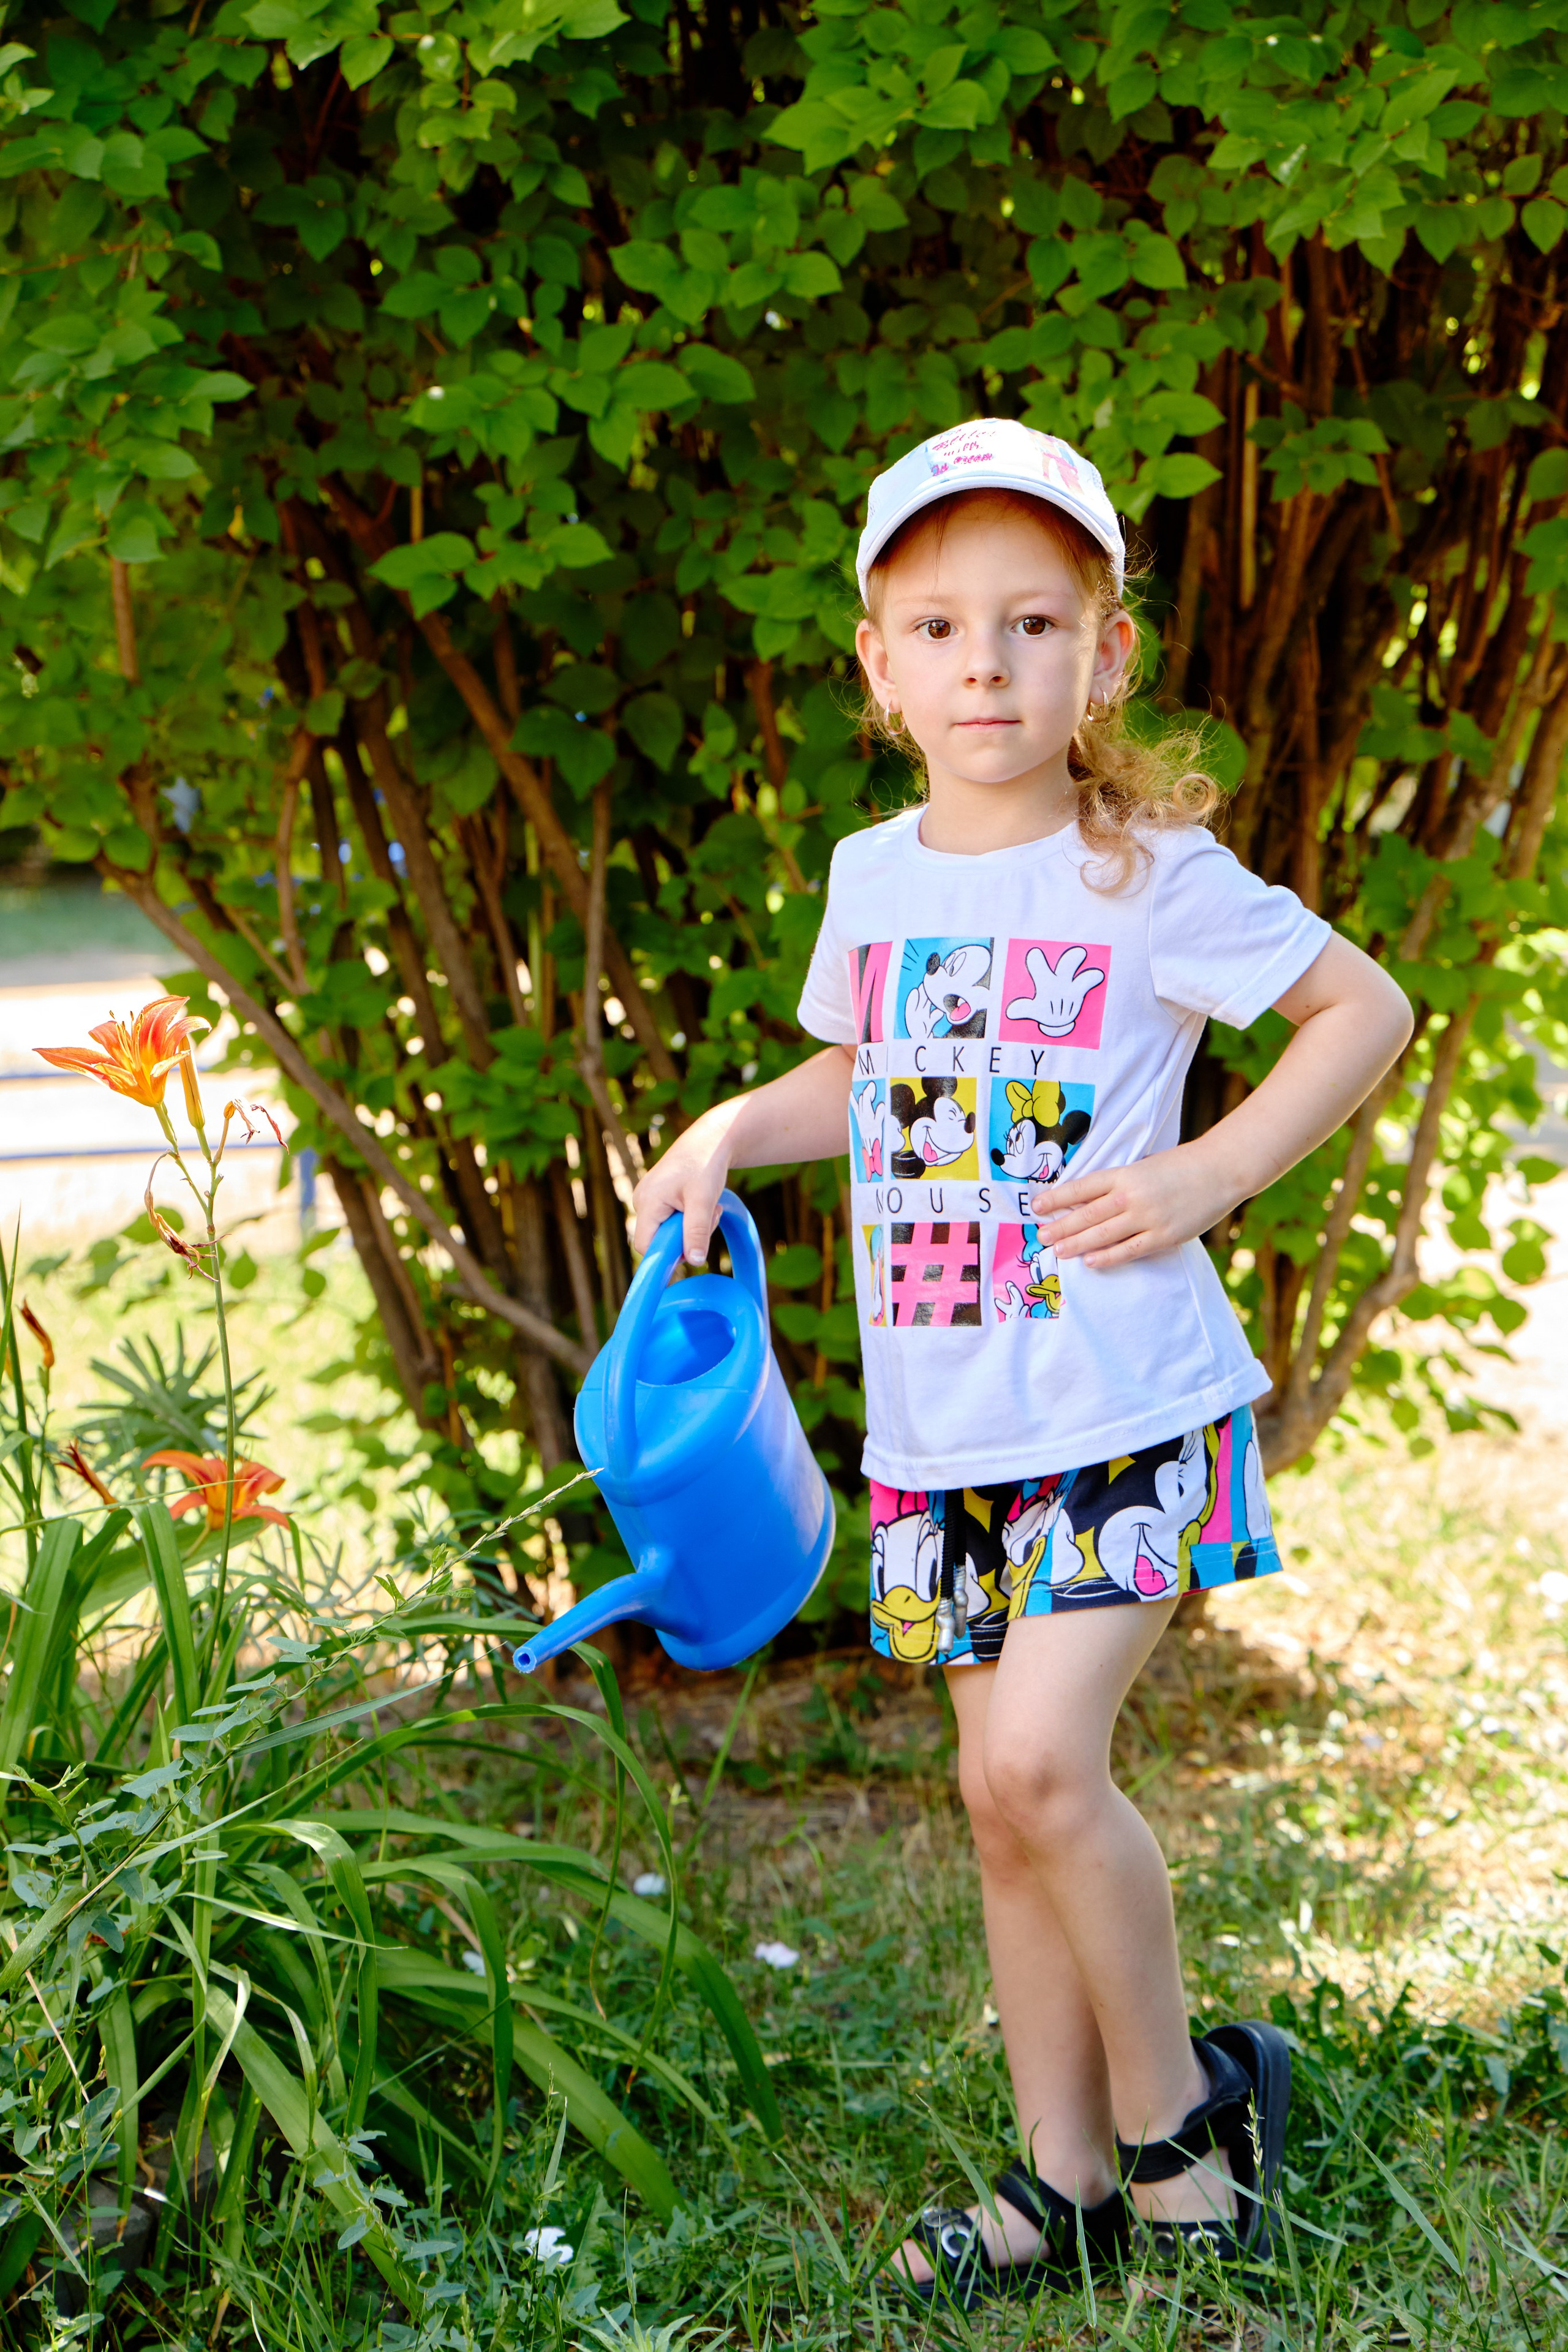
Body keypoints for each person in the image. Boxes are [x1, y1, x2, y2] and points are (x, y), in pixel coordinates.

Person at [630, 417, 1413, 2304]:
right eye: (941, 626)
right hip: (944, 1430)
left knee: (1051, 1767)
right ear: (881, 665)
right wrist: (730, 1125)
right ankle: (1060, 2177)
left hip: (1124, 1407)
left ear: (1105, 654)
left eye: (1034, 623)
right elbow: (867, 1080)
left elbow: (1362, 1008)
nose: (987, 663)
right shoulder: (872, 876)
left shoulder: (1146, 874)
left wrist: (1210, 1175)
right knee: (997, 1804)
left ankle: (1185, 2127)